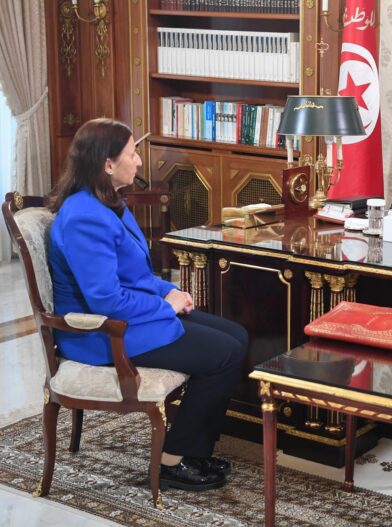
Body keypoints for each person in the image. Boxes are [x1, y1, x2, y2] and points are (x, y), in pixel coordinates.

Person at [47, 118, 248, 492]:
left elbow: (133, 276)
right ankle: (172, 461)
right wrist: (164, 307)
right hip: (101, 334)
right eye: (132, 153)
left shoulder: (109, 201)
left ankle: (194, 451)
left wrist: (170, 292)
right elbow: (105, 299)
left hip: (129, 318)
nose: (139, 161)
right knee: (224, 354)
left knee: (236, 335)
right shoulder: (84, 216)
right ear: (108, 164)